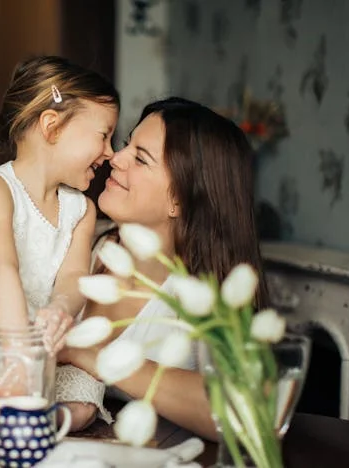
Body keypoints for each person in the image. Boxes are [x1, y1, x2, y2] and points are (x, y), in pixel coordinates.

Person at [0, 55, 119, 431]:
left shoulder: (81, 209)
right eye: (104, 135)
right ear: (52, 126)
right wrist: (16, 357)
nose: (110, 152)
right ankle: (13, 415)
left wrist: (61, 308)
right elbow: (2, 271)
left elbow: (75, 276)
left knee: (85, 394)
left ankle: (33, 420)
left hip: (41, 353)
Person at [59, 96, 269, 440]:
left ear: (179, 200)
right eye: (128, 143)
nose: (116, 156)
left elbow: (244, 411)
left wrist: (96, 356)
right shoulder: (80, 242)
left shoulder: (206, 297)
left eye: (140, 158)